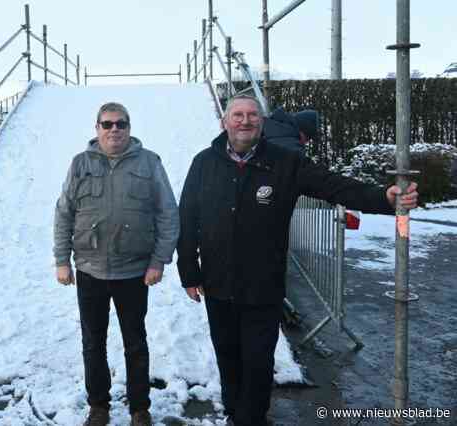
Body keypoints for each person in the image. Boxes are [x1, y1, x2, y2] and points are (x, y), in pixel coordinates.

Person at [176, 94, 418, 426]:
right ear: (224, 122)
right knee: (228, 356)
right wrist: (189, 270)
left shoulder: (285, 162)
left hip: (264, 284)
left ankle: (252, 418)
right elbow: (187, 217)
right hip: (218, 283)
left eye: (252, 115)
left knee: (258, 361)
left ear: (261, 122)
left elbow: (333, 186)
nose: (245, 121)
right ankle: (234, 412)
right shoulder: (204, 162)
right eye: (238, 115)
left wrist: (382, 198)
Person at [53, 102, 179, 426]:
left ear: (129, 127)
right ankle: (99, 406)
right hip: (90, 270)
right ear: (97, 128)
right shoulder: (80, 164)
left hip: (134, 272)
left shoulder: (150, 163)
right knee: (92, 342)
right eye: (107, 124)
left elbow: (168, 213)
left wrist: (159, 261)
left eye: (120, 124)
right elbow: (64, 212)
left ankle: (140, 408)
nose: (114, 130)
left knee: (135, 342)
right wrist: (61, 261)